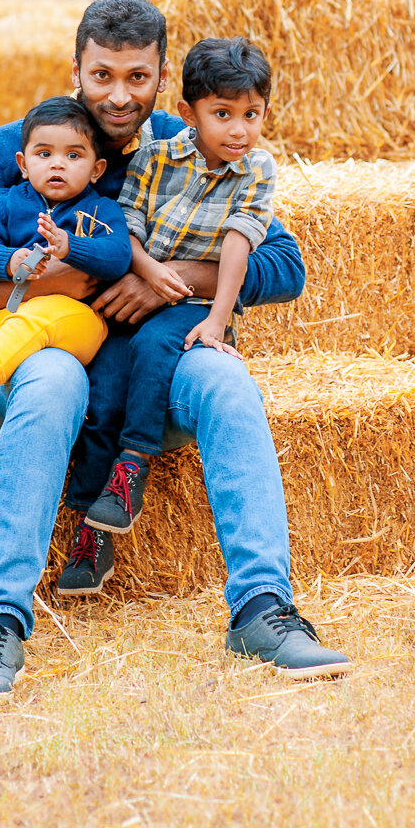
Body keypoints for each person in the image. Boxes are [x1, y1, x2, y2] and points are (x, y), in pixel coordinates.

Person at [0, 0, 351, 700]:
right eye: (102, 75)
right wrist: (44, 287)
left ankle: (263, 609)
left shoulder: (191, 142)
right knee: (51, 377)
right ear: (75, 68)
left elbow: (286, 267)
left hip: (158, 361)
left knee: (229, 381)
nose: (119, 95)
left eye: (137, 77)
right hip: (50, 354)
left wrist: (169, 281)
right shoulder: (14, 150)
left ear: (162, 74)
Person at [80, 36, 276, 535]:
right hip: (147, 286)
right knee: (103, 385)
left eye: (252, 115)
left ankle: (134, 462)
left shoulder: (256, 168)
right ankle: (87, 518)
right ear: (190, 113)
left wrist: (216, 320)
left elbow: (239, 243)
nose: (240, 130)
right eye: (224, 114)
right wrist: (147, 270)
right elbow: (127, 225)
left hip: (199, 303)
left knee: (152, 342)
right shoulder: (156, 158)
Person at [0, 96, 132, 495]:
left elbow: (119, 256)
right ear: (23, 164)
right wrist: (8, 259)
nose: (58, 164)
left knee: (37, 318)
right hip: (16, 312)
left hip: (79, 321)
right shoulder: (5, 202)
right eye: (44, 153)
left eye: (74, 155)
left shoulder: (102, 209)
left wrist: (71, 248)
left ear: (96, 169)